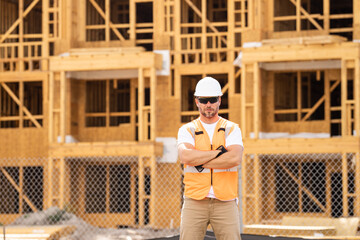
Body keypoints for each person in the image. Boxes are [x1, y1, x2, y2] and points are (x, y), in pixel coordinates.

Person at [177, 76, 244, 240]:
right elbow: (185, 156)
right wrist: (219, 152)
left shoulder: (231, 129)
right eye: (204, 100)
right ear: (197, 101)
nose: (208, 104)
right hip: (194, 200)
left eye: (212, 100)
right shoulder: (187, 130)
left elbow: (234, 158)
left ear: (219, 100)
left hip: (225, 201)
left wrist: (199, 159)